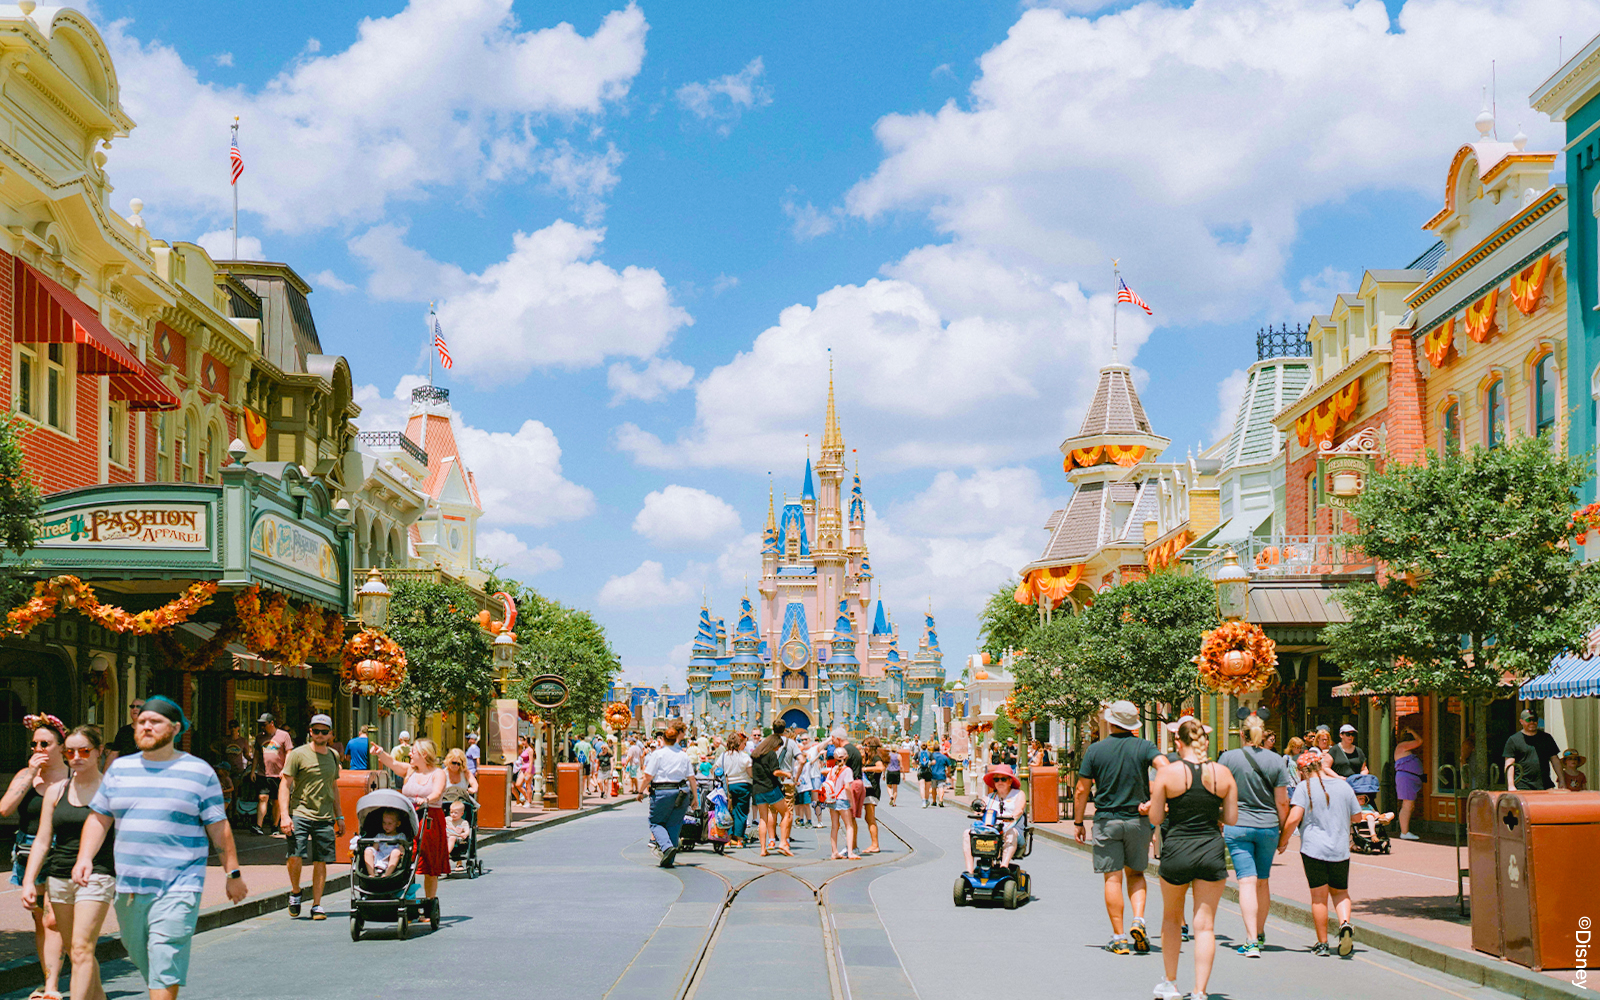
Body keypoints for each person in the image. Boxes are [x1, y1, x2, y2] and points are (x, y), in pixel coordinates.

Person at [76, 696, 248, 1000]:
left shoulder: (199, 772)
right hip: (129, 888)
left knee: (164, 957)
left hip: (179, 886)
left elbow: (218, 827)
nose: (145, 726)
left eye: (154, 721)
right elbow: (98, 819)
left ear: (175, 728)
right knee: (139, 952)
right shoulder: (119, 771)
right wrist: (85, 858)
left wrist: (232, 873)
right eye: (141, 721)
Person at [23, 725, 115, 1000]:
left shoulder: (111, 790)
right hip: (59, 875)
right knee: (78, 953)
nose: (76, 756)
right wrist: (29, 880)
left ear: (99, 752)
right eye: (70, 751)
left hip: (97, 874)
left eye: (84, 750)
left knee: (80, 947)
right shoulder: (57, 790)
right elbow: (42, 840)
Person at [1150, 718, 1238, 1000]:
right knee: (1205, 926)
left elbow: (1156, 817)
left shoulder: (1168, 773)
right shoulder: (1223, 774)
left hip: (1177, 849)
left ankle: (1171, 983)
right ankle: (1200, 991)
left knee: (1172, 919)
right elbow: (1232, 818)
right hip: (1210, 849)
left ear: (1179, 742)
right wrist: (1212, 812)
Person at [1073, 701, 1168, 955]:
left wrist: (1079, 821)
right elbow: (1165, 768)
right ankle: (1139, 919)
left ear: (1111, 722)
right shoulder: (1145, 746)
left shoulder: (1095, 750)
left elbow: (1082, 789)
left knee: (1112, 877)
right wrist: (1155, 800)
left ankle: (1119, 937)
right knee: (1136, 874)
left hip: (1107, 820)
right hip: (1138, 821)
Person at [3, 714, 69, 1000]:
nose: (39, 749)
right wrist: (30, 774)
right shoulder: (26, 775)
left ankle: (53, 986)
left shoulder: (72, 776)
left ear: (61, 747)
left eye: (45, 743)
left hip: (63, 850)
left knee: (53, 920)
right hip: (30, 850)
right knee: (41, 920)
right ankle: (48, 980)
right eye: (34, 744)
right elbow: (4, 809)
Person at [1217, 715, 1288, 959]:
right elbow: (1282, 801)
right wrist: (1283, 833)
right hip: (1268, 826)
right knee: (1263, 882)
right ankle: (1259, 932)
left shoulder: (1228, 758)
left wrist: (1220, 820)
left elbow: (1220, 792)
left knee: (1246, 881)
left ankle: (1250, 941)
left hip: (1238, 825)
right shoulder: (1277, 760)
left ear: (1242, 735)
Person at [1279, 751, 1361, 957]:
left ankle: (1322, 943)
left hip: (1313, 850)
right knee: (1341, 892)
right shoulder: (1344, 786)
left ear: (1302, 771)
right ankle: (1344, 924)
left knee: (1319, 897)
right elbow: (1358, 817)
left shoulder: (1304, 788)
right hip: (1340, 849)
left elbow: (1293, 819)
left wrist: (1283, 841)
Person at [278, 713, 344, 921]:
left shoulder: (333, 756)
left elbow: (334, 786)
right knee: (295, 855)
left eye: (324, 732)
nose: (320, 735)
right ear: (310, 732)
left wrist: (339, 816)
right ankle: (296, 892)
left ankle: (317, 904)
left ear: (330, 734)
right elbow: (285, 784)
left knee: (321, 860)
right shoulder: (298, 754)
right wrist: (284, 816)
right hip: (300, 812)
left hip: (324, 816)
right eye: (316, 731)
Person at [371, 739, 449, 908]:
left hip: (429, 818)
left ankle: (429, 902)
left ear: (424, 755)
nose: (410, 754)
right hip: (407, 817)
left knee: (429, 864)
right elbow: (392, 763)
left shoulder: (438, 773)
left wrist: (426, 800)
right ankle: (406, 898)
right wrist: (380, 752)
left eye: (413, 751)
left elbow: (437, 792)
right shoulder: (409, 771)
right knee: (406, 858)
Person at [638, 724, 695, 868]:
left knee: (656, 822)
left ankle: (666, 847)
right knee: (674, 824)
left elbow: (648, 776)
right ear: (676, 739)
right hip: (681, 792)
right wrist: (696, 798)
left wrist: (640, 791)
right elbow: (691, 778)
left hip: (662, 791)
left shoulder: (658, 754)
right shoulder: (683, 755)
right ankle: (669, 858)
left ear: (663, 739)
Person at [964, 765, 1026, 874]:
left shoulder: (1018, 794)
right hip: (991, 831)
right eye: (997, 780)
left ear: (1010, 781)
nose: (1000, 782)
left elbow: (1019, 809)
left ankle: (1004, 866)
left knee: (1011, 832)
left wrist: (1011, 817)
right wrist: (978, 811)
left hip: (1011, 830)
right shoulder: (989, 797)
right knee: (967, 833)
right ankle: (969, 870)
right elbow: (979, 809)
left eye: (1003, 779)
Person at [749, 727, 791, 857]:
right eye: (778, 747)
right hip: (770, 788)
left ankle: (763, 849)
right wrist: (786, 774)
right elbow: (775, 771)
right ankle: (783, 842)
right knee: (787, 814)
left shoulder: (755, 754)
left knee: (763, 818)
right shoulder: (771, 754)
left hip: (757, 789)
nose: (777, 749)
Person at [253, 714, 292, 836]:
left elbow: (289, 753)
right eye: (260, 725)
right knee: (262, 797)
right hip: (263, 773)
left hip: (278, 774)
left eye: (264, 725)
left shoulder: (284, 735)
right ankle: (258, 825)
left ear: (272, 723)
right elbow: (256, 755)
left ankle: (275, 825)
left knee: (276, 801)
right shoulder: (260, 737)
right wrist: (253, 770)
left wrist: (285, 769)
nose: (262, 727)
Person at [1503, 710, 1561, 790]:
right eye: (1528, 720)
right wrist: (1511, 785)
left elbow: (1555, 761)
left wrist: (1562, 781)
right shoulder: (1513, 740)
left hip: (1545, 786)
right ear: (1521, 721)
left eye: (1534, 720)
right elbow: (1509, 765)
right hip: (1522, 786)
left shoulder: (1547, 738)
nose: (1532, 723)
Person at [716, 733, 754, 849]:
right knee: (741, 812)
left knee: (728, 812)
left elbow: (716, 769)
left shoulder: (723, 756)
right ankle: (739, 839)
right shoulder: (744, 757)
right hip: (743, 785)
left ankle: (728, 838)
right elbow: (750, 773)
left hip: (728, 787)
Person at [821, 745, 858, 859]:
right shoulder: (847, 770)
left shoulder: (832, 770)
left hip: (832, 800)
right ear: (846, 757)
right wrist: (852, 802)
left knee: (834, 826)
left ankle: (834, 852)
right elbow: (847, 787)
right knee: (849, 826)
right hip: (843, 800)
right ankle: (850, 852)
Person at [1392, 727, 1424, 839]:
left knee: (1410, 805)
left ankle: (1405, 831)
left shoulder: (1405, 747)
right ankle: (1404, 832)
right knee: (1407, 805)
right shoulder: (1402, 746)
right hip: (1406, 779)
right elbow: (1420, 741)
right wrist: (1413, 731)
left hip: (1410, 779)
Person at [363, 809, 407, 876]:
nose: (386, 826)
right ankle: (371, 874)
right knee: (368, 850)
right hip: (379, 857)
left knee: (396, 852)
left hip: (392, 858)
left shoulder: (400, 836)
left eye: (389, 823)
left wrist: (401, 852)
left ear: (398, 824)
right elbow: (374, 848)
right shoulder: (380, 836)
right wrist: (371, 850)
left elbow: (402, 850)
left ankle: (387, 874)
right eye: (384, 823)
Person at [860, 736, 886, 854]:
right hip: (867, 790)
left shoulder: (875, 758)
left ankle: (875, 845)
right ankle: (873, 844)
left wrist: (865, 770)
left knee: (870, 817)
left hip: (872, 790)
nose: (864, 747)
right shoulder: (867, 758)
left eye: (866, 745)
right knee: (868, 817)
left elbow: (881, 768)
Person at [104, 699, 143, 769]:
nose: (134, 709)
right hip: (125, 773)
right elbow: (113, 755)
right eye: (132, 706)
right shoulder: (123, 731)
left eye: (138, 707)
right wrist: (104, 777)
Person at [918, 741, 948, 808]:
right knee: (941, 787)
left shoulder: (931, 755)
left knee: (934, 788)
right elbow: (948, 765)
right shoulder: (943, 757)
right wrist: (948, 772)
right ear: (939, 749)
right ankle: (941, 800)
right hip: (941, 774)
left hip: (933, 774)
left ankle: (934, 801)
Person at [445, 800, 472, 871]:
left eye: (455, 813)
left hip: (458, 838)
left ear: (462, 814)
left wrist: (465, 834)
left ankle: (446, 854)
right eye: (451, 812)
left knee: (452, 838)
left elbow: (467, 830)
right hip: (446, 837)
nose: (453, 814)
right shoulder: (447, 819)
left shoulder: (463, 822)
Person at [885, 741, 902, 806]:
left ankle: (891, 795)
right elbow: (901, 765)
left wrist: (883, 774)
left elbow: (885, 765)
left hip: (889, 771)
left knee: (889, 786)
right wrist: (903, 774)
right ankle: (894, 802)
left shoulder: (888, 756)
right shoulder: (899, 756)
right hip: (896, 772)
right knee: (895, 788)